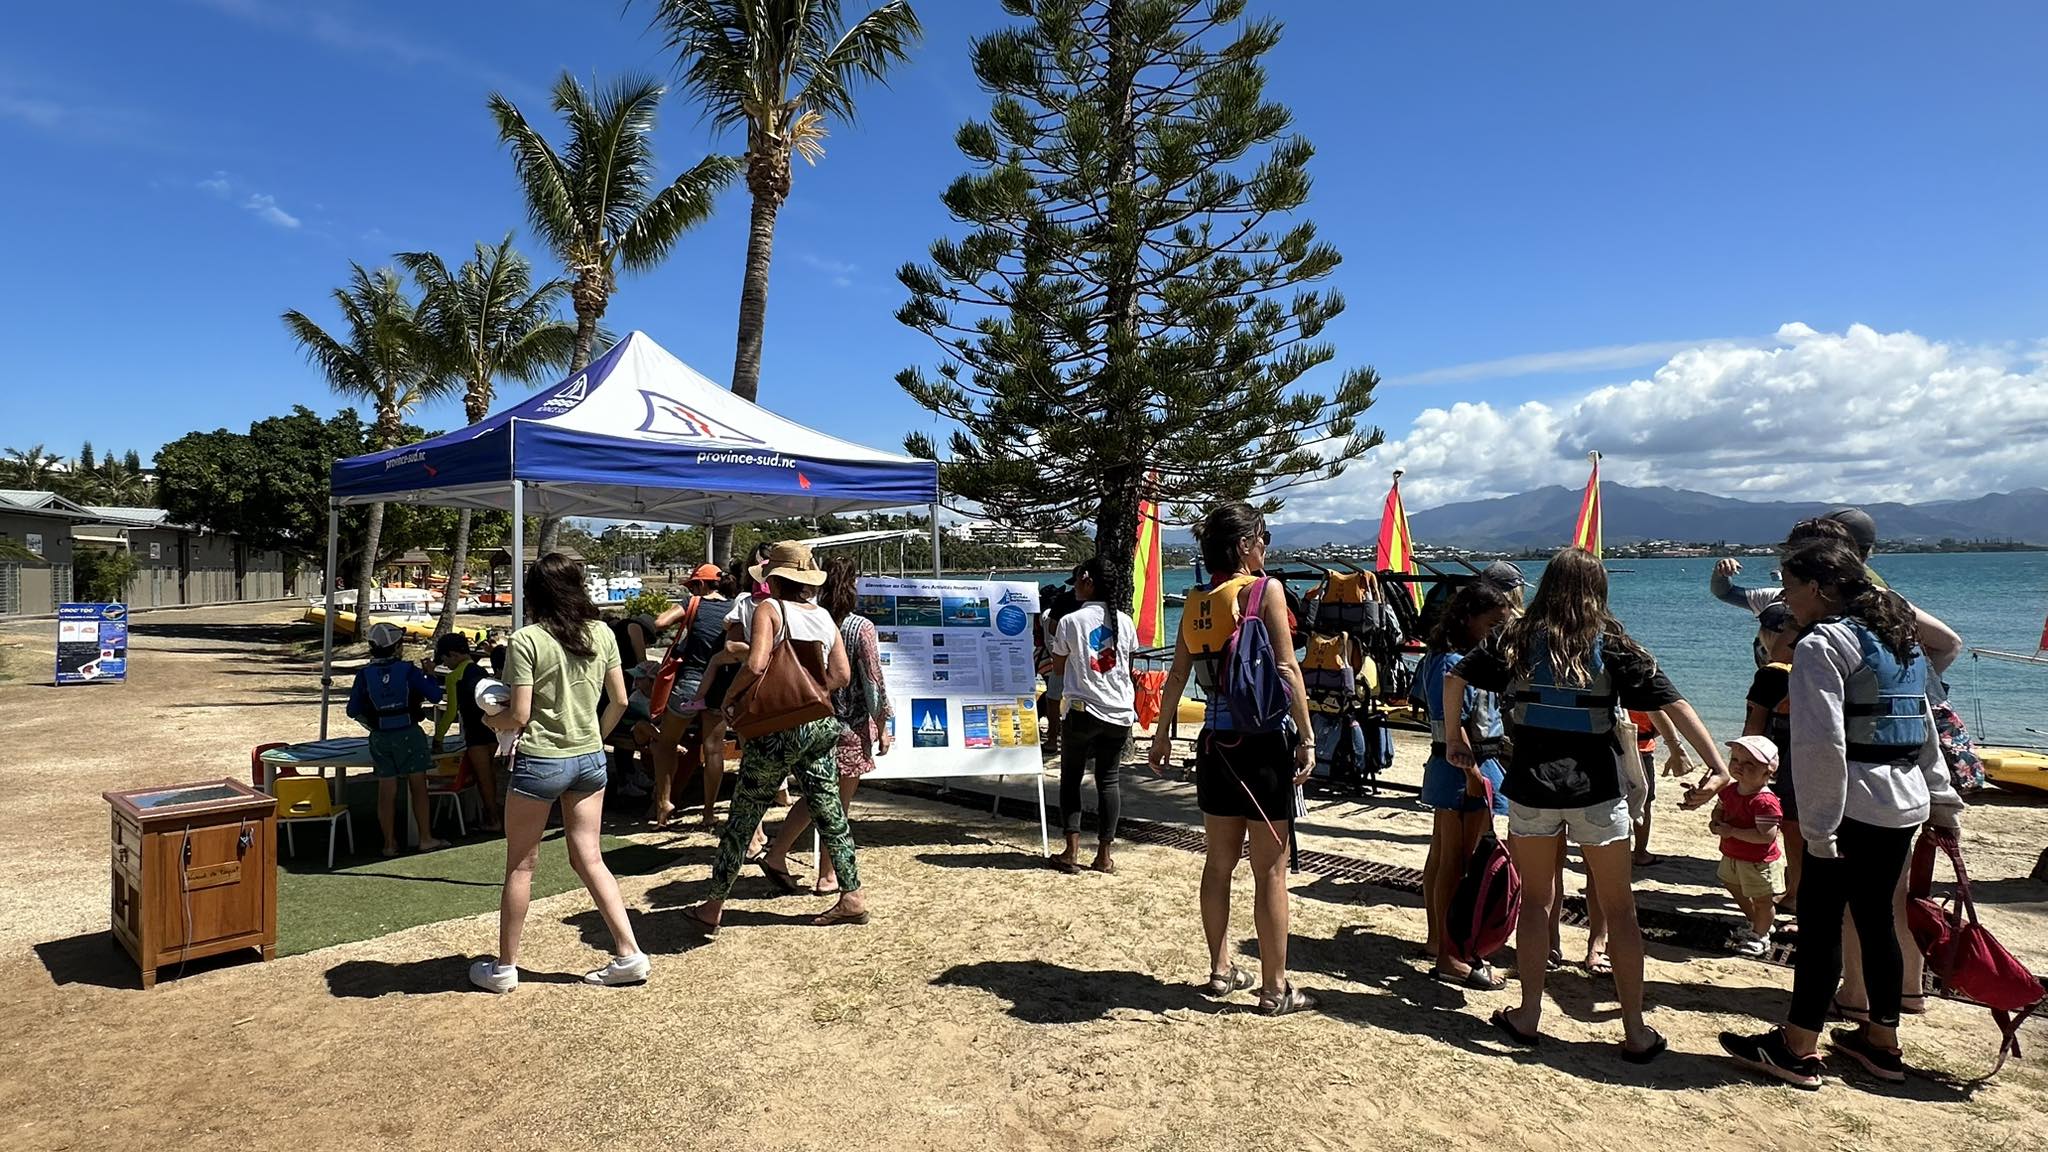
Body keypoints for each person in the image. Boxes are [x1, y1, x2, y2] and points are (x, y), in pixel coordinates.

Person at [1446, 547, 1727, 1062]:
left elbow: (1454, 676)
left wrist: (1450, 739)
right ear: (1599, 591)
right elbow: (1674, 703)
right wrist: (1719, 765)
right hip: (1597, 792)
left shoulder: (1516, 638)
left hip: (1530, 788)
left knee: (1535, 903)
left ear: (1547, 586)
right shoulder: (1613, 644)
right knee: (1619, 909)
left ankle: (1527, 1014)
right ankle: (1636, 1031)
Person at [1720, 540, 1964, 1089]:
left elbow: (1820, 744)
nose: (1783, 595)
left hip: (1850, 804)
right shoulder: (1898, 637)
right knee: (1877, 918)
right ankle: (1882, 1042)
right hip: (1903, 801)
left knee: (1822, 920)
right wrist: (1942, 800)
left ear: (1818, 588)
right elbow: (1922, 722)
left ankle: (1797, 1045)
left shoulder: (1823, 643)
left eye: (1788, 583)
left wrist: (1821, 828)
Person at [1148, 501, 1318, 1016]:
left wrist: (1159, 736)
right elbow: (1287, 669)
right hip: (1263, 744)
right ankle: (1275, 988)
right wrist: (1307, 737)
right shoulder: (1263, 590)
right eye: (1262, 538)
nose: (1266, 548)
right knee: (1271, 870)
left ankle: (1221, 970)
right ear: (1244, 546)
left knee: (1218, 863)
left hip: (1215, 745)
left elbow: (1177, 676)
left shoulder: (1197, 600)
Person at [469, 553, 648, 993]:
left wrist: (492, 721)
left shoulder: (526, 640)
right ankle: (629, 953)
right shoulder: (603, 632)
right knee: (590, 857)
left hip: (541, 761)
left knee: (521, 865)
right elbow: (621, 701)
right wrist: (594, 736)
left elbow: (521, 713)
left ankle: (506, 967)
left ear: (535, 591)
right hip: (589, 759)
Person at [681, 541, 867, 932]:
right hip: (816, 724)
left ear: (775, 578)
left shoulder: (770, 608)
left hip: (774, 729)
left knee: (744, 815)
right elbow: (842, 676)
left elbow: (757, 662)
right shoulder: (823, 616)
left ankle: (713, 905)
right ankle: (851, 895)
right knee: (830, 812)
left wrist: (733, 698)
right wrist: (810, 693)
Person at [760, 554, 894, 894]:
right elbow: (871, 681)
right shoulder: (858, 627)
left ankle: (778, 854)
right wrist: (883, 722)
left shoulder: (811, 620)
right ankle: (827, 874)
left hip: (810, 719)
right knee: (838, 807)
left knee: (816, 796)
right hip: (849, 725)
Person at [1413, 582, 1514, 989]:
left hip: (1460, 765)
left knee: (1444, 857)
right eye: (1491, 624)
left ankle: (1439, 939)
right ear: (1468, 617)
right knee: (1459, 863)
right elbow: (1452, 725)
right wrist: (1474, 775)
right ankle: (1448, 953)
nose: (1494, 633)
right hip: (1464, 767)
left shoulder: (1444, 656)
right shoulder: (1452, 661)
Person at [1046, 557, 1138, 875]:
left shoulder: (1070, 621)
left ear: (1087, 579)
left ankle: (1071, 851)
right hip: (1119, 712)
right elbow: (1128, 664)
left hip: (1083, 710)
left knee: (1071, 779)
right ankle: (1104, 855)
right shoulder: (1125, 622)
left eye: (1077, 583)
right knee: (1108, 781)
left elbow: (1058, 668)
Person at [346, 622, 450, 857]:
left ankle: (389, 844)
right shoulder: (408, 671)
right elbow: (434, 695)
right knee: (418, 786)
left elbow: (352, 710)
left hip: (380, 737)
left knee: (386, 789)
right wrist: (431, 674)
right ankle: (425, 838)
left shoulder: (364, 675)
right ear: (397, 647)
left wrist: (373, 721)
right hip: (409, 734)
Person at [643, 564, 736, 828]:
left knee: (666, 743)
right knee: (714, 750)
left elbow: (661, 622)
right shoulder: (733, 607)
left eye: (694, 585)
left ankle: (663, 802)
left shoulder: (692, 602)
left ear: (701, 585)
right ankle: (708, 813)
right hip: (720, 685)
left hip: (691, 683)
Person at [1742, 603, 1803, 906]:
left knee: (1791, 827)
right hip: (1810, 759)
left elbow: (1753, 728)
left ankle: (1794, 892)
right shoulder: (1809, 670)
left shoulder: (1770, 674)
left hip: (1779, 763)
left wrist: (1740, 767)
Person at [1706, 736, 1786, 957]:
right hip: (1732, 854)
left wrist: (1732, 832)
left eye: (1749, 764)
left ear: (1768, 772)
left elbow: (1766, 836)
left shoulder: (1764, 801)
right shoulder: (1730, 790)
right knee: (1731, 882)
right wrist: (1716, 819)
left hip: (1759, 860)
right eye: (1735, 759)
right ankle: (1757, 922)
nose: (1739, 766)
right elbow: (1720, 808)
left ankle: (1761, 935)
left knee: (1763, 899)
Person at [433, 632, 503, 833]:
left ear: (453, 654)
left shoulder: (454, 677)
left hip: (475, 733)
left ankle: (492, 820)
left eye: (445, 659)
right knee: (494, 776)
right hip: (492, 728)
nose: (444, 664)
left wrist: (438, 739)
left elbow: (451, 712)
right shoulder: (480, 670)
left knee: (484, 779)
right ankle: (500, 816)